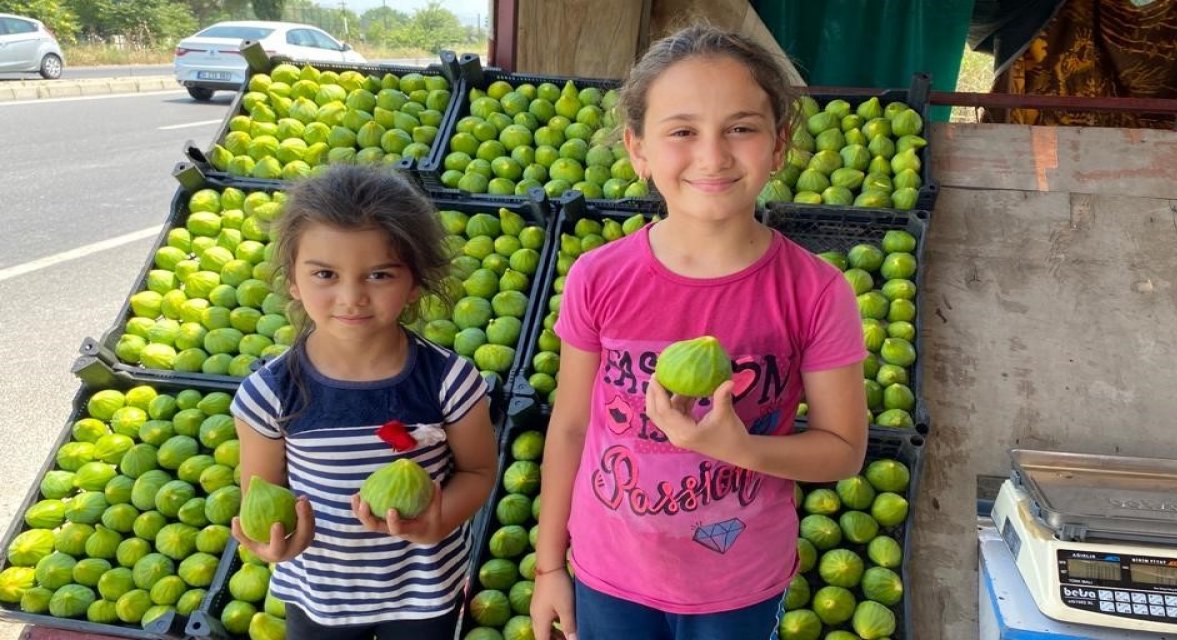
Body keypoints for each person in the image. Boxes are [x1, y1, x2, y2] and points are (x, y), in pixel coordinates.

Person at [530, 24, 870, 640]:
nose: (712, 155)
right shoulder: (597, 277)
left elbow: (843, 450)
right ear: (638, 149)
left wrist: (739, 447)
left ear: (779, 143)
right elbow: (573, 426)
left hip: (736, 580)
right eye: (682, 131)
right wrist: (550, 564)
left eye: (740, 128)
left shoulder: (817, 292)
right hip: (609, 570)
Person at [228, 165, 498, 640]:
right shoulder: (268, 394)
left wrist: (441, 521)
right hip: (318, 593)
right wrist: (275, 544)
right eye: (325, 274)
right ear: (293, 279)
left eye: (378, 274)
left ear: (415, 281)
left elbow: (478, 473)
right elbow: (263, 492)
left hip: (423, 592)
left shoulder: (449, 381)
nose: (351, 297)